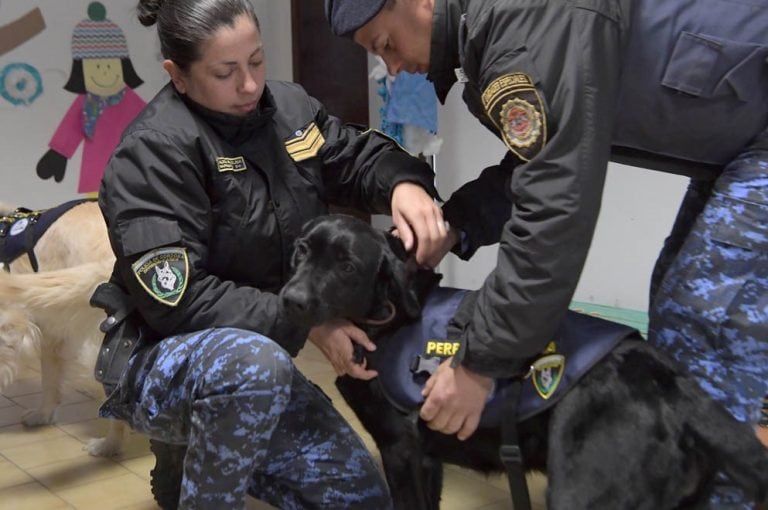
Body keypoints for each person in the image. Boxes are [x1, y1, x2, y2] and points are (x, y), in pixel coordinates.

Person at [324, 0, 768, 507]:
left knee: (703, 329)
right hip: (739, 139)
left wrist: (478, 363)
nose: (394, 68)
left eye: (386, 45)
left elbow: (555, 208)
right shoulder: (492, 37)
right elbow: (542, 164)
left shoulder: (523, 20)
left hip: (754, 134)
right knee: (676, 334)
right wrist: (457, 225)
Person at [94, 0, 448, 508]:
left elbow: (354, 156)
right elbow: (180, 302)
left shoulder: (288, 110)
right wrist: (308, 324)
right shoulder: (152, 153)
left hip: (257, 354)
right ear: (179, 76)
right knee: (255, 366)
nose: (249, 85)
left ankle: (206, 443)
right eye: (225, 71)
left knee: (361, 498)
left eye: (257, 62)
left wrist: (403, 184)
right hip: (161, 357)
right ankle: (189, 461)